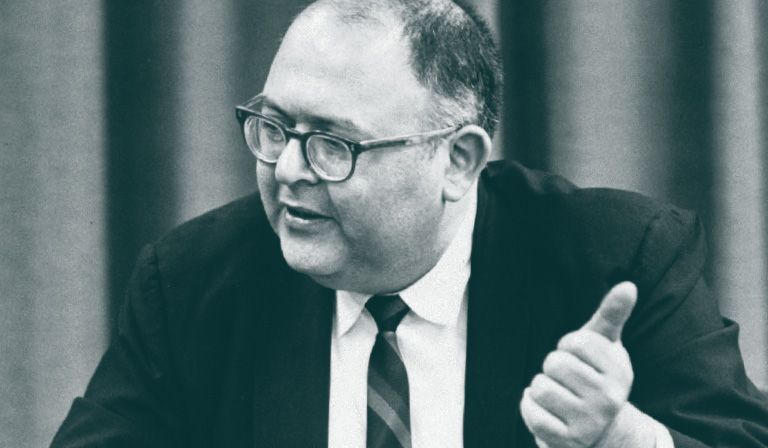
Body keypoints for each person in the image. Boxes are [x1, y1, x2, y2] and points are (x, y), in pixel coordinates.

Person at [52, 0, 768, 447]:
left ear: (457, 160)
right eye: (273, 127)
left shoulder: (617, 259)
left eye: (334, 143)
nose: (290, 169)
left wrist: (622, 439)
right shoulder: (195, 281)